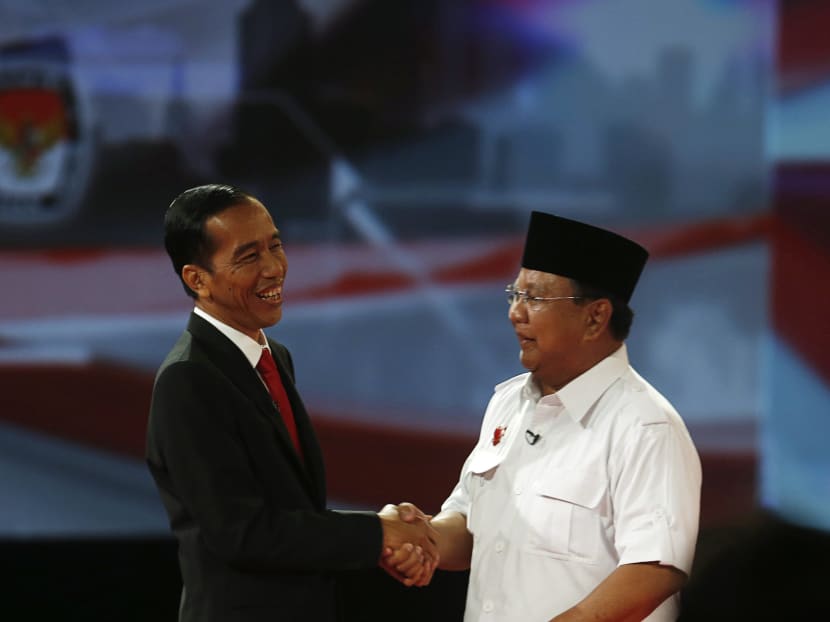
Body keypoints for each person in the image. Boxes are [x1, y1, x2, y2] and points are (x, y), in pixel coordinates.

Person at [387, 211, 702, 621]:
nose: (515, 313)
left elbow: (656, 569)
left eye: (534, 299)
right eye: (513, 295)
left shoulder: (645, 425)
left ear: (595, 317)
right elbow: (470, 524)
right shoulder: (508, 402)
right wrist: (422, 539)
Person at [145, 184, 436, 622]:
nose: (273, 268)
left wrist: (381, 532)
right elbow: (243, 533)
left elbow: (290, 513)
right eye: (248, 257)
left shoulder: (272, 357)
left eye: (275, 246)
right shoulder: (188, 380)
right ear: (197, 279)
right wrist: (376, 533)